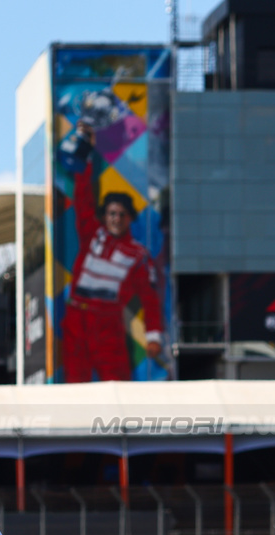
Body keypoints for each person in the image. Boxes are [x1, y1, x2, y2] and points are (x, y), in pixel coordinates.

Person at [62, 121, 164, 383]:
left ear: (129, 218)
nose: (115, 218)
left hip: (107, 322)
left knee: (117, 384)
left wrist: (153, 336)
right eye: (111, 213)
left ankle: (121, 425)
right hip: (76, 318)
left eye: (121, 214)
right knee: (74, 387)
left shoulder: (137, 254)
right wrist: (86, 155)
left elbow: (149, 298)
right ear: (104, 216)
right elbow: (83, 196)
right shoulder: (91, 233)